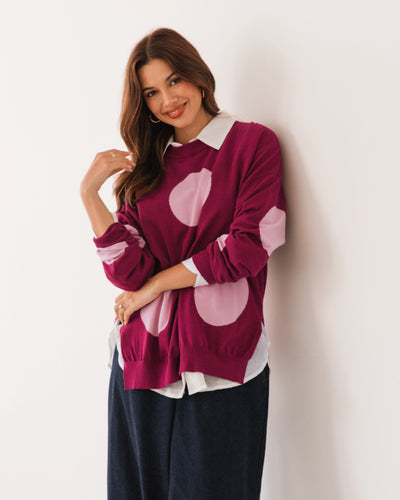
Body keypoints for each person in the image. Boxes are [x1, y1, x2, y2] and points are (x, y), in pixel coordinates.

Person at [80, 26, 286, 500]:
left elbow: (247, 247)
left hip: (222, 358)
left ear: (197, 75)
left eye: (173, 80)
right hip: (141, 359)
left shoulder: (252, 144)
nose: (168, 100)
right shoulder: (146, 168)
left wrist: (156, 286)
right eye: (151, 92)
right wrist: (90, 195)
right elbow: (128, 272)